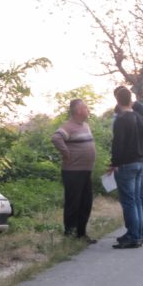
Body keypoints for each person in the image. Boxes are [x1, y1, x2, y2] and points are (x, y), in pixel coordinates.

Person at [51, 99, 97, 244]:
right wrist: (66, 152)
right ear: (78, 111)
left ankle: (81, 233)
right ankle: (70, 233)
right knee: (74, 203)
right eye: (86, 108)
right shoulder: (68, 126)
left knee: (86, 202)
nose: (88, 110)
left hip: (86, 170)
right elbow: (56, 138)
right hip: (73, 171)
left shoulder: (85, 126)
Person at [114, 85, 143, 243]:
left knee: (130, 200)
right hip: (139, 160)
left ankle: (135, 234)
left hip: (129, 162)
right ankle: (139, 233)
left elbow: (118, 143)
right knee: (136, 199)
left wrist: (114, 163)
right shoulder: (137, 116)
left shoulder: (123, 118)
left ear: (118, 100)